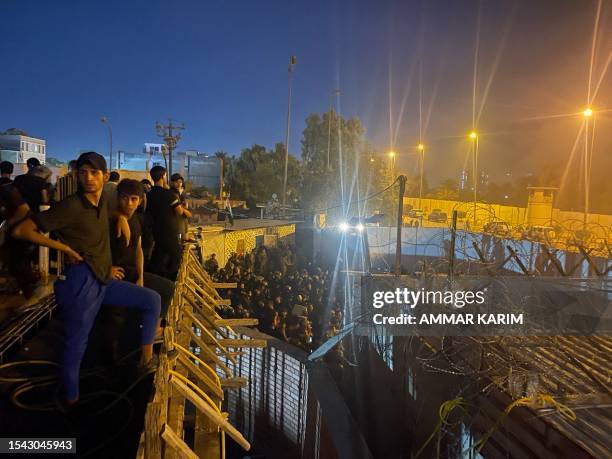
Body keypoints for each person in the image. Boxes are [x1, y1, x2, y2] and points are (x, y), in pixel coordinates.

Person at [12, 152, 161, 405]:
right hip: (83, 281)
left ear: (104, 176)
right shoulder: (71, 206)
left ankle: (145, 364)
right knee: (76, 344)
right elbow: (22, 230)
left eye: (94, 173)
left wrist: (121, 218)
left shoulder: (103, 202)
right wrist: (65, 249)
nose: (88, 178)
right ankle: (71, 402)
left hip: (104, 279)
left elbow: (108, 216)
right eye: (83, 173)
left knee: (152, 300)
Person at [109, 179, 174, 326]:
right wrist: (107, 269)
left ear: (140, 201)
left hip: (132, 272)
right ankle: (149, 332)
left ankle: (154, 329)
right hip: (118, 275)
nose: (129, 203)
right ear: (118, 197)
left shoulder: (137, 220)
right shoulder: (111, 220)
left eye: (134, 199)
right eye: (124, 198)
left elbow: (138, 250)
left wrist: (141, 276)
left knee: (168, 288)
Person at [146, 166, 187, 280]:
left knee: (159, 256)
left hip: (155, 231)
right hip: (169, 231)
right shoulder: (169, 194)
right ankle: (170, 281)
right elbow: (179, 211)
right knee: (176, 254)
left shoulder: (149, 194)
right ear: (163, 176)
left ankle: (155, 279)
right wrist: (185, 208)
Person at [169, 173, 192, 241]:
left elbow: (189, 213)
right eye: (177, 182)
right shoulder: (172, 194)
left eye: (180, 182)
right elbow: (181, 211)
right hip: (176, 227)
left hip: (182, 226)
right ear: (172, 182)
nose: (179, 184)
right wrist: (183, 208)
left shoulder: (180, 196)